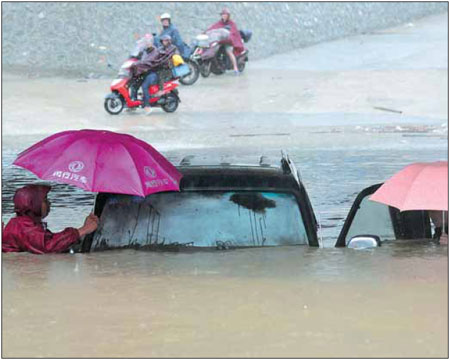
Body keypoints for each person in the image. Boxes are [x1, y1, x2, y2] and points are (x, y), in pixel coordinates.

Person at [2, 184, 99, 254]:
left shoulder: (25, 222)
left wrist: (80, 234)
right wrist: (82, 231)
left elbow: (49, 239)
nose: (49, 203)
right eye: (45, 200)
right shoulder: (23, 226)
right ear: (32, 203)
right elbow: (48, 246)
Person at [130, 34, 178, 115]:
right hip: (145, 71)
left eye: (149, 41)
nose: (147, 43)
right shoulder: (144, 51)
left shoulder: (156, 51)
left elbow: (151, 61)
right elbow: (139, 58)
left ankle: (147, 106)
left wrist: (139, 64)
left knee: (145, 85)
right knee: (134, 83)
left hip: (155, 72)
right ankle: (133, 103)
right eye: (146, 41)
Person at [207, 8, 244, 74]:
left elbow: (233, 32)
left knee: (229, 52)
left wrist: (229, 37)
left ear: (228, 15)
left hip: (228, 41)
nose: (224, 16)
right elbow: (213, 28)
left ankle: (235, 68)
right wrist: (205, 32)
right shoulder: (219, 23)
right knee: (213, 49)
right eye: (223, 14)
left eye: (225, 14)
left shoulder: (231, 23)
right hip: (220, 41)